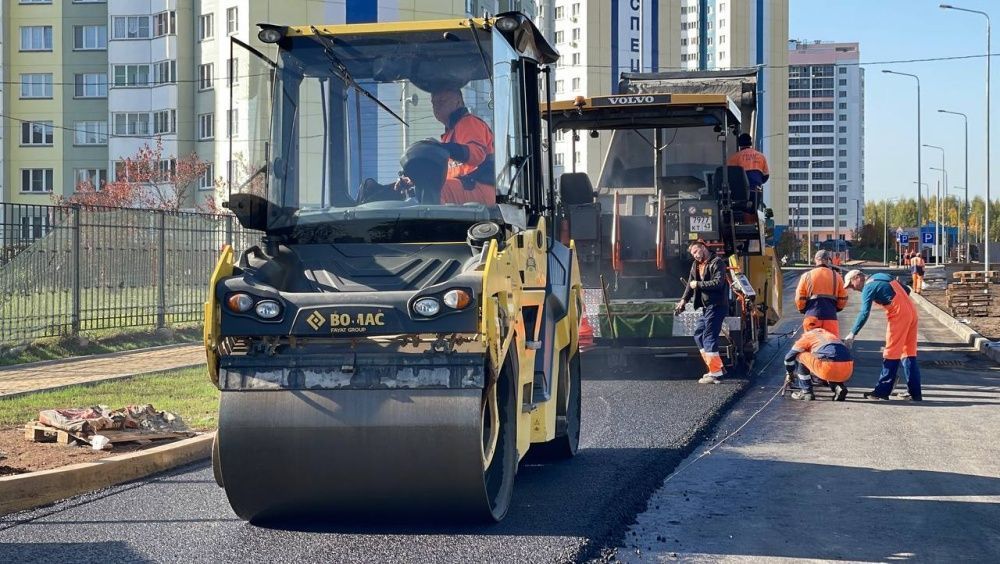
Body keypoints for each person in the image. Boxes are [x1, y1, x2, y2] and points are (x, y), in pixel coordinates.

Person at [842, 270, 922, 401]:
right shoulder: (880, 276)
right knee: (909, 353)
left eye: (851, 285)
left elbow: (864, 313)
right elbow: (906, 290)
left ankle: (882, 391)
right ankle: (915, 393)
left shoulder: (868, 287)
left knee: (891, 352)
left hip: (899, 315)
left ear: (858, 278)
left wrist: (852, 333)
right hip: (912, 312)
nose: (853, 289)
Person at [676, 241, 730, 384]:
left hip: (717, 305)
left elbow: (718, 283)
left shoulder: (717, 263)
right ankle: (715, 368)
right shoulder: (696, 264)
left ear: (703, 248)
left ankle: (716, 373)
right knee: (699, 335)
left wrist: (698, 284)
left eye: (696, 252)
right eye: (692, 254)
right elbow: (690, 284)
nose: (695, 256)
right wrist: (683, 301)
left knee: (709, 336)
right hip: (706, 307)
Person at [430, 88, 495, 206]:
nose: (436, 106)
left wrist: (444, 148)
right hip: (464, 188)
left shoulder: (469, 122)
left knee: (433, 189)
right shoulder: (449, 135)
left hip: (480, 188)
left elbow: (476, 155)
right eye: (433, 103)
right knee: (418, 190)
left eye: (441, 101)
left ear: (458, 102)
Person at [784, 326, 854, 401]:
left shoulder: (807, 336)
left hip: (827, 368)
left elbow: (788, 357)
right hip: (847, 370)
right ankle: (838, 387)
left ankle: (806, 392)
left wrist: (789, 373)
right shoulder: (831, 336)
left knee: (800, 356)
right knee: (829, 361)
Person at [795, 250, 848, 336]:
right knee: (831, 345)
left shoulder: (806, 276)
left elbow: (799, 297)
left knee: (812, 344)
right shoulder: (836, 276)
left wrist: (802, 309)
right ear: (828, 260)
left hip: (811, 316)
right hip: (830, 317)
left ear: (815, 260)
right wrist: (837, 308)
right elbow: (843, 297)